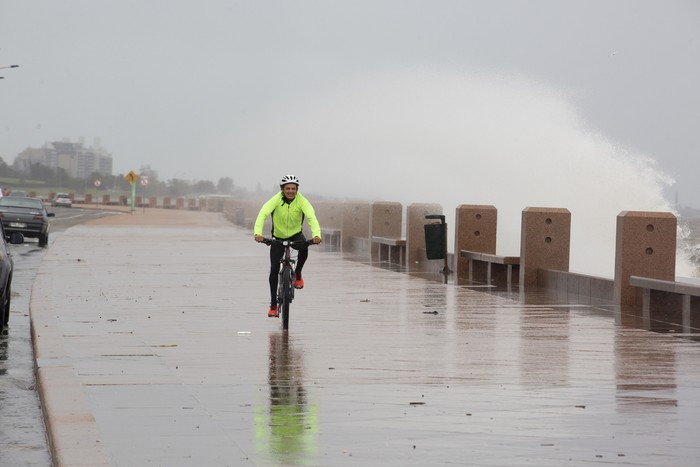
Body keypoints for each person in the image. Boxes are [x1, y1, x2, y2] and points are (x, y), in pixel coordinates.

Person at [254, 175, 321, 317]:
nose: (291, 191)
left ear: (297, 189)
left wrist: (316, 235)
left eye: (293, 189)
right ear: (282, 189)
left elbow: (311, 217)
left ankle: (298, 273)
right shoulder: (276, 200)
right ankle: (273, 305)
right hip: (278, 237)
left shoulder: (302, 201)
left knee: (304, 247)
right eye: (287, 188)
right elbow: (263, 213)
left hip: (295, 235)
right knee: (273, 269)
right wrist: (257, 233)